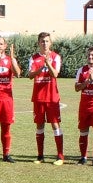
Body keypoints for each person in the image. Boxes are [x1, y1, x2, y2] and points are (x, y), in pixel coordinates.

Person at [27, 32, 64, 165]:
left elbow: (55, 74)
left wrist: (48, 63)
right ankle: (40, 155)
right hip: (38, 98)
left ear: (51, 43)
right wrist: (40, 68)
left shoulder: (55, 57)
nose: (45, 43)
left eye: (47, 41)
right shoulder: (34, 58)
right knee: (39, 125)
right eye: (42, 41)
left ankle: (60, 156)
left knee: (55, 124)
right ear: (38, 43)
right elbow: (30, 75)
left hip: (52, 97)